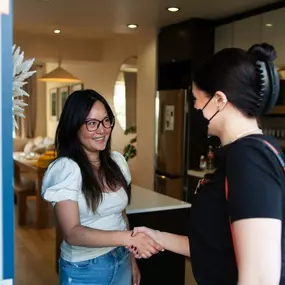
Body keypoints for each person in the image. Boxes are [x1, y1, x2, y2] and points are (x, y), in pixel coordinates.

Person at [130, 43, 285, 285]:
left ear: (219, 100)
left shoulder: (250, 158)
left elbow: (260, 278)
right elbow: (217, 249)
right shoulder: (242, 154)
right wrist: (157, 237)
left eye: (196, 99)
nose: (194, 107)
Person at [41, 89, 161, 285]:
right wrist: (128, 238)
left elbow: (120, 215)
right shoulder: (66, 169)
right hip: (85, 268)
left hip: (121, 258)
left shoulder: (116, 162)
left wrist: (131, 259)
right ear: (74, 126)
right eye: (92, 123)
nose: (102, 130)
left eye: (106, 121)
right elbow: (72, 233)